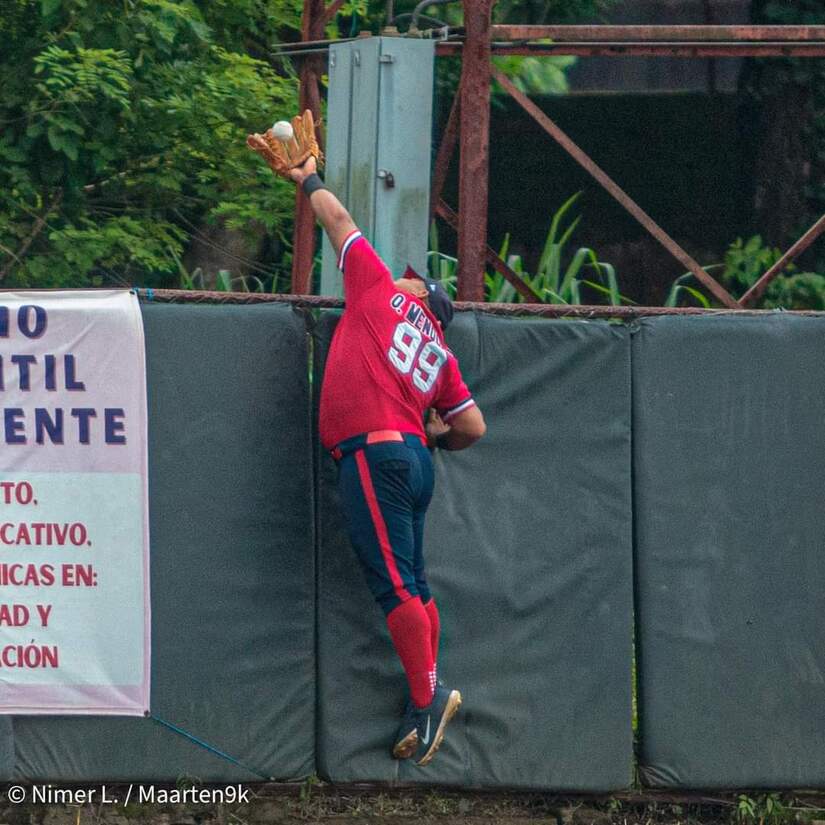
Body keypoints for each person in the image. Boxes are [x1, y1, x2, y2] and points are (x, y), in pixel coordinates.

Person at [289, 155, 486, 767]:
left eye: (412, 280)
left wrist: (307, 179)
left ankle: (427, 700)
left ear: (421, 296)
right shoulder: (442, 355)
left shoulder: (380, 292)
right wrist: (435, 437)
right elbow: (472, 426)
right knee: (414, 583)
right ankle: (428, 687)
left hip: (375, 455)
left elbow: (339, 221)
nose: (403, 278)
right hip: (413, 460)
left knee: (396, 586)